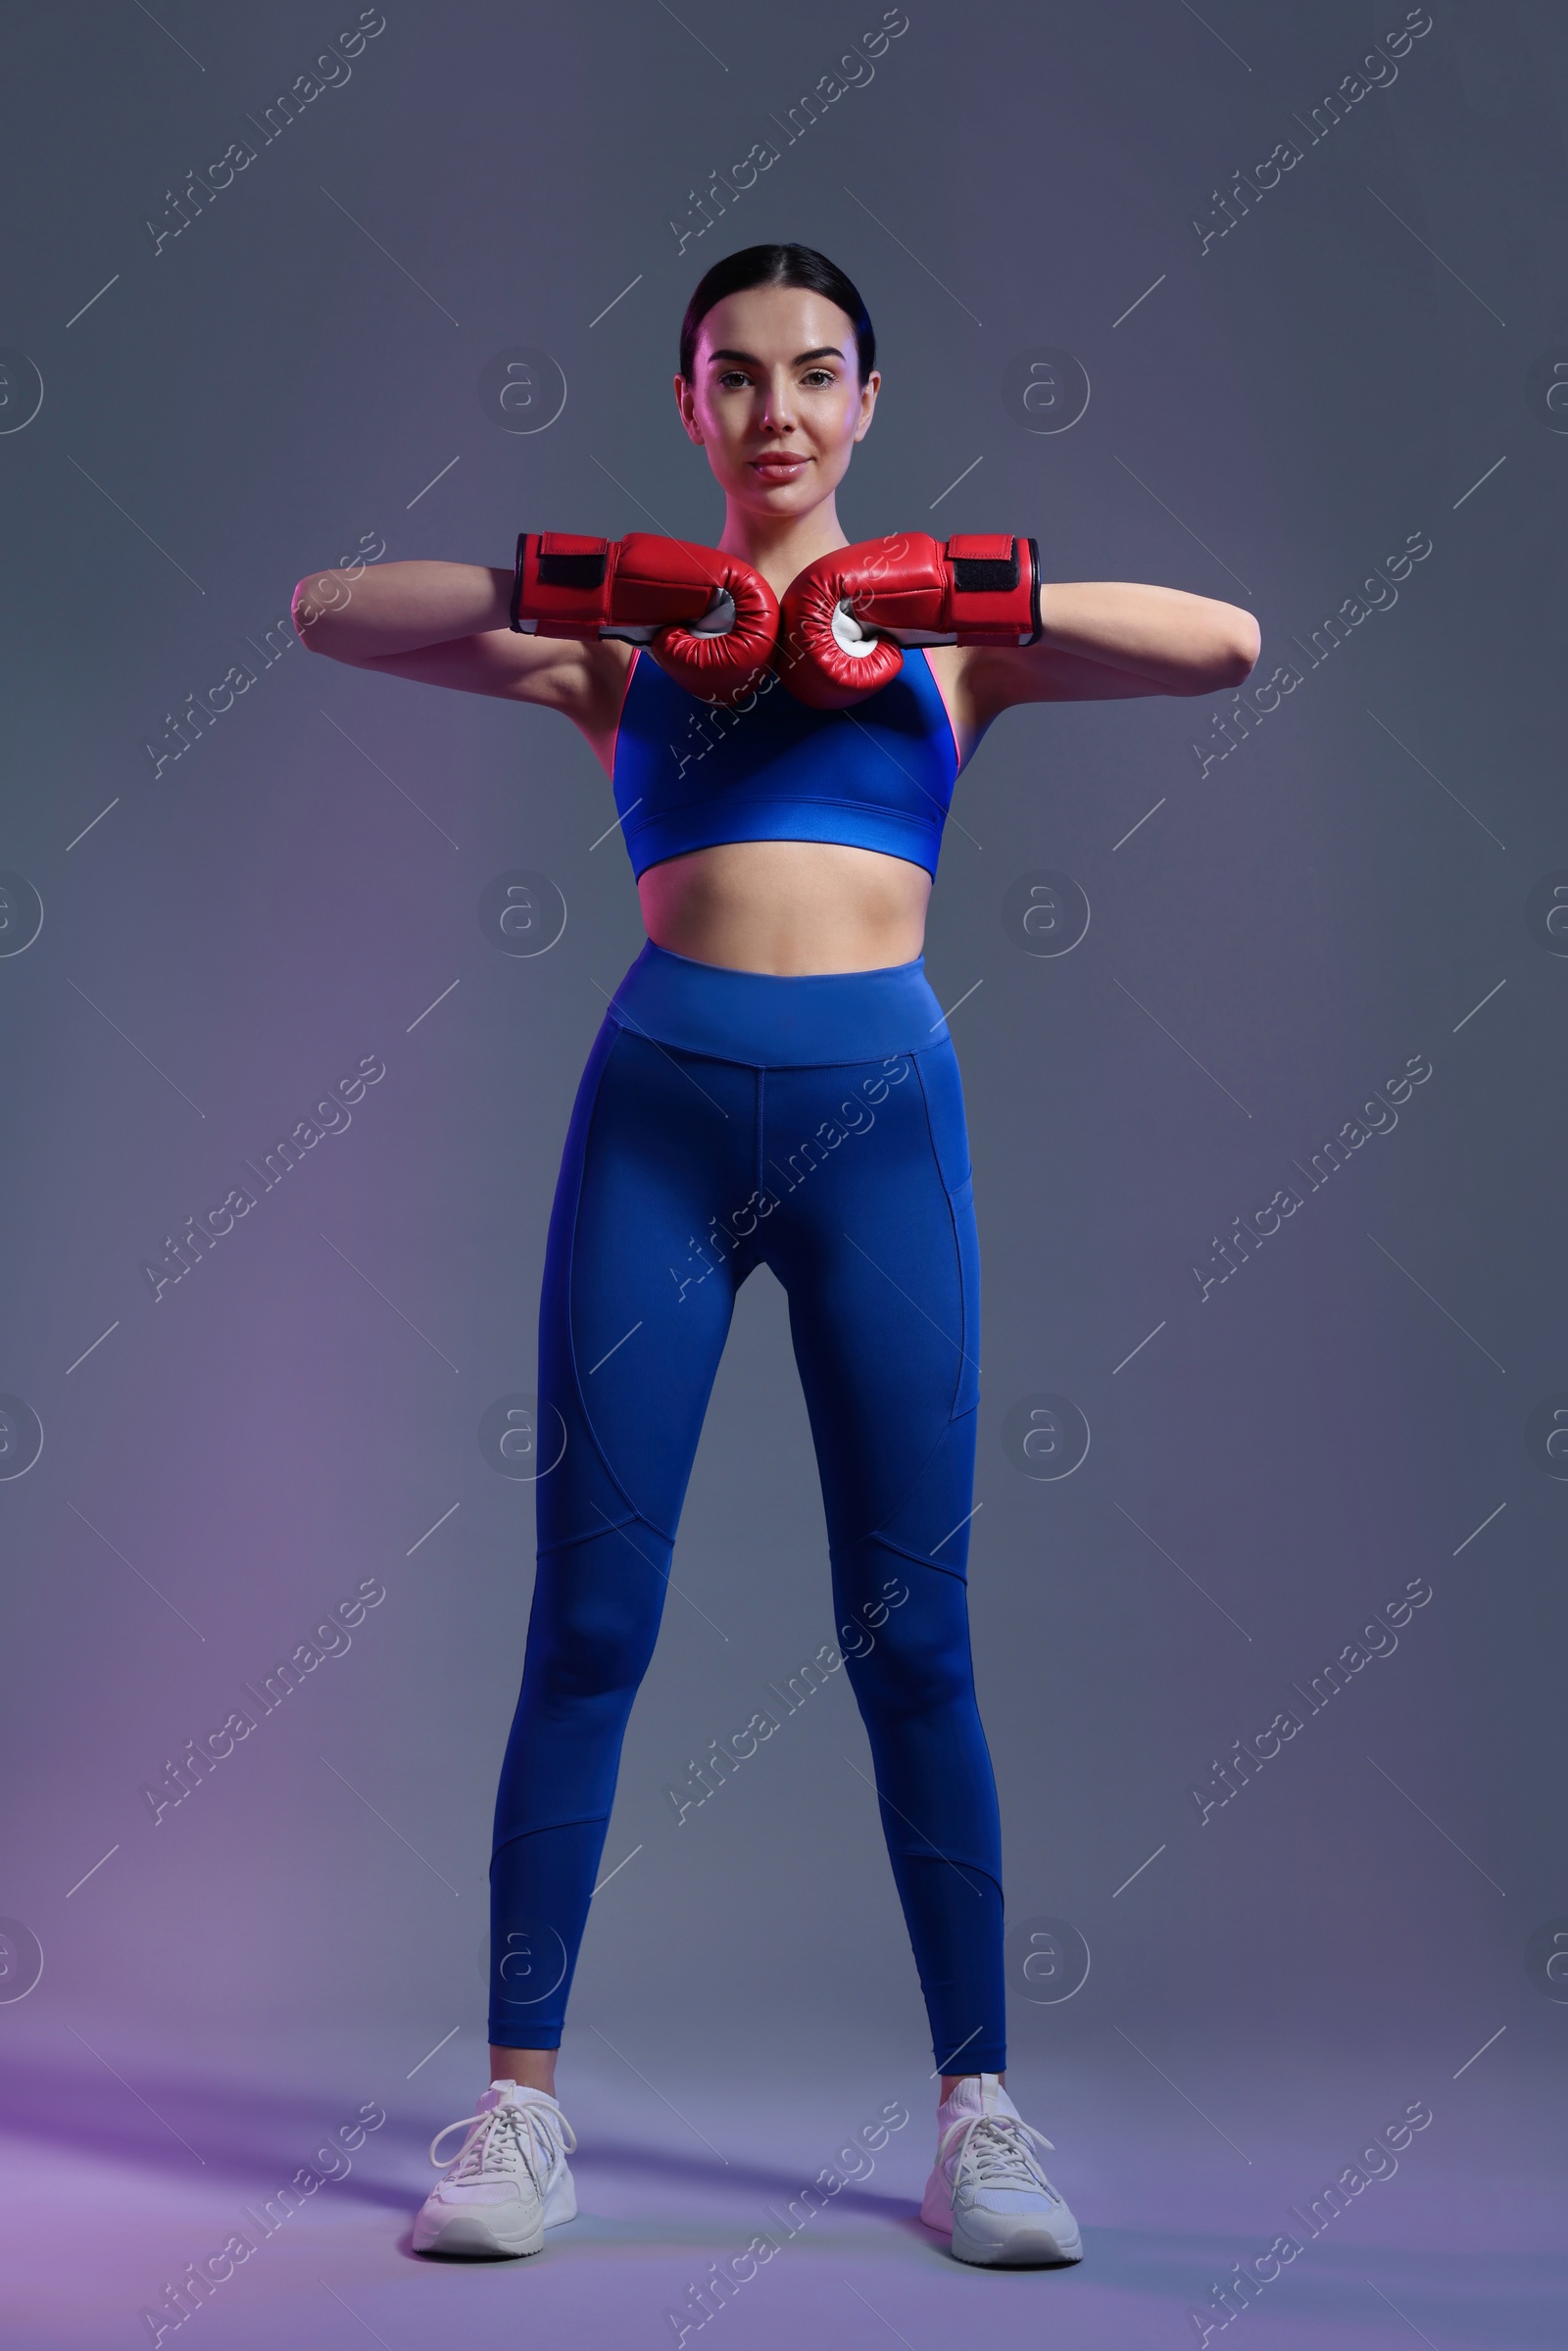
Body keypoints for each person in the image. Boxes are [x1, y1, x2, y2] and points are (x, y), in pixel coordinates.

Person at [294, 242, 1258, 2271]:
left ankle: (979, 2114)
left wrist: (920, 595)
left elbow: (1224, 646)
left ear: (868, 402)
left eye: (815, 378)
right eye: (735, 381)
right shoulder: (622, 653)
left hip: (877, 1131)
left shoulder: (947, 654)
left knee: (916, 1634)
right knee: (587, 1626)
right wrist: (623, 587)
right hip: (652, 1115)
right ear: (689, 409)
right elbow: (326, 613)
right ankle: (516, 2115)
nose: (778, 417)